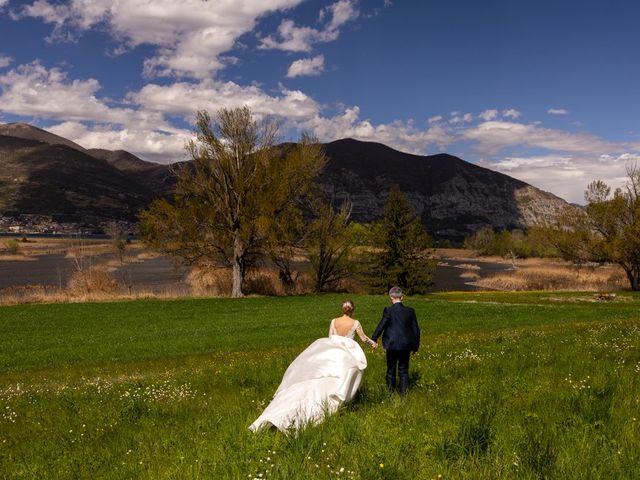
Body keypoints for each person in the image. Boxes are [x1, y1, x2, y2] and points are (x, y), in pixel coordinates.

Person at [249, 300, 377, 433]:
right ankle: (342, 402)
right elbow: (363, 338)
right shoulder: (355, 323)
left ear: (342, 309)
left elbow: (330, 337)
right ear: (352, 309)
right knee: (346, 375)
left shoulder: (334, 321)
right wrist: (372, 343)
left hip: (332, 350)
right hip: (345, 354)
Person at [370, 286, 420, 395]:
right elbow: (416, 329)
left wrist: (374, 338)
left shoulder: (388, 310)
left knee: (391, 370)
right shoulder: (410, 311)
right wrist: (415, 346)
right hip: (406, 345)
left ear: (391, 297)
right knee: (403, 370)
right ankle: (403, 395)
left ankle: (390, 394)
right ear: (402, 297)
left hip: (391, 344)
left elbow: (381, 325)